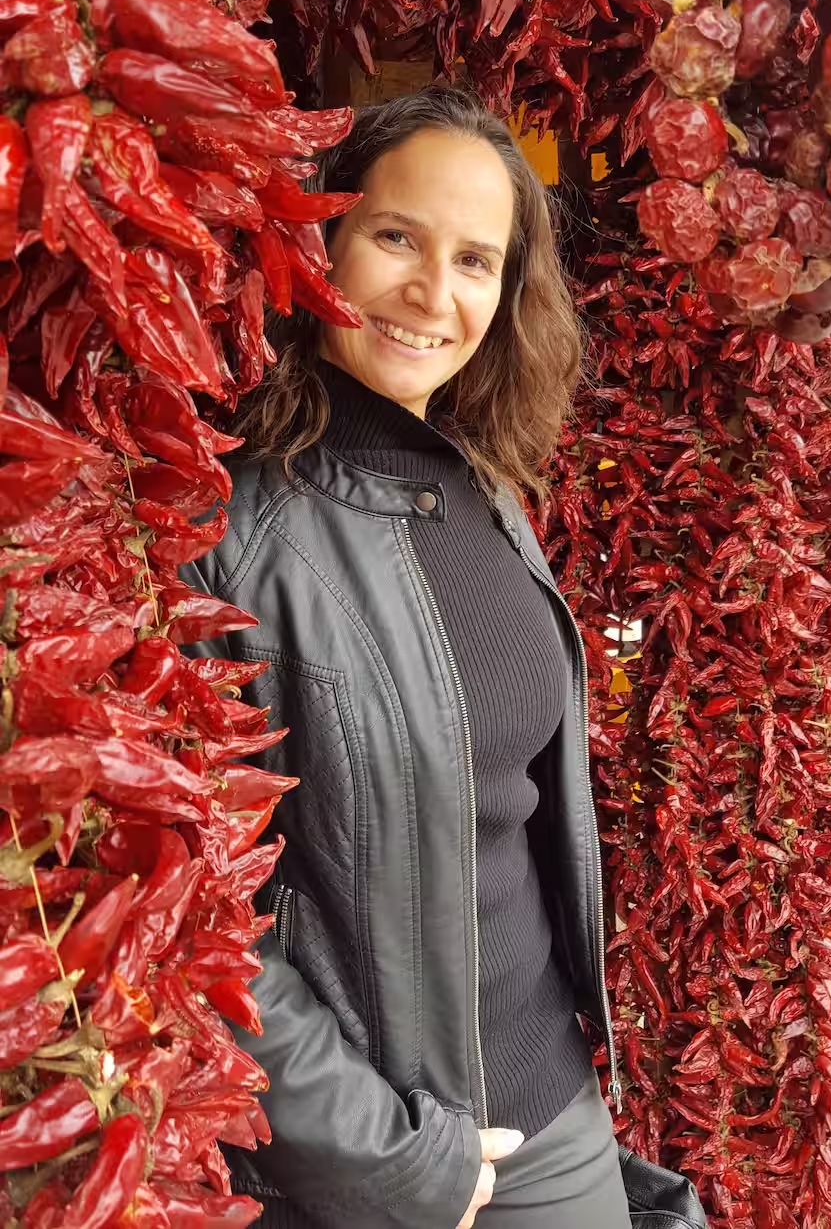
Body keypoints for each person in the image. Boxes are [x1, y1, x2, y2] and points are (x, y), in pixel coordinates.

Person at [183, 85, 632, 1229]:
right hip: (389, 1163)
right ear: (320, 241)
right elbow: (189, 904)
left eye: (475, 261)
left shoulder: (484, 491)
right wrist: (386, 1157)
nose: (436, 294)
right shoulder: (229, 534)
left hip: (557, 1120)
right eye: (396, 238)